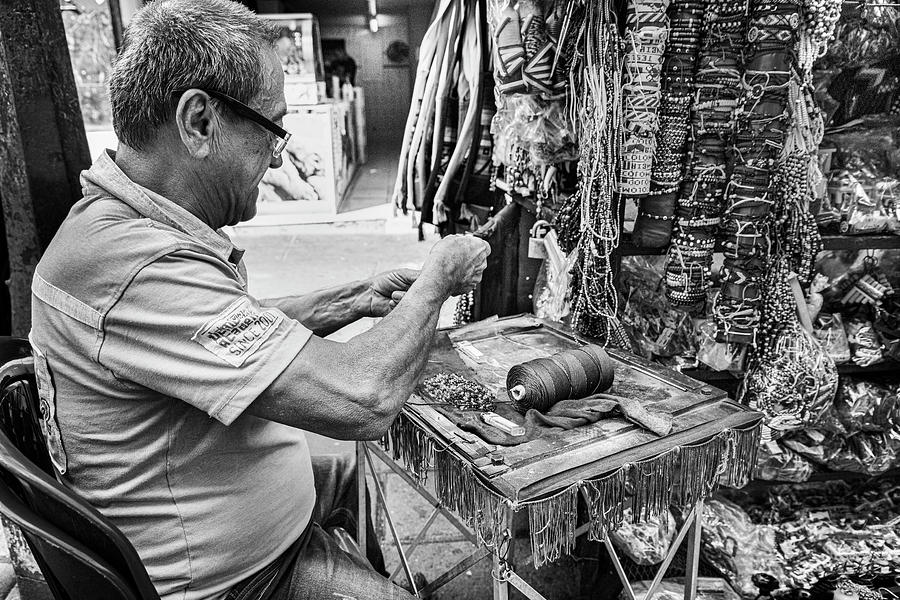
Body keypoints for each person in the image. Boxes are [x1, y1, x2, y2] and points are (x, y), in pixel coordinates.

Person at [27, 1, 490, 599]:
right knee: (352, 447)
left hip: (236, 511)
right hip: (235, 580)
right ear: (198, 122)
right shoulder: (135, 266)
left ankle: (370, 570)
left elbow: (228, 332)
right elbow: (363, 400)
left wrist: (353, 297)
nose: (278, 157)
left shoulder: (126, 229)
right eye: (272, 129)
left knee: (346, 469)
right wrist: (439, 278)